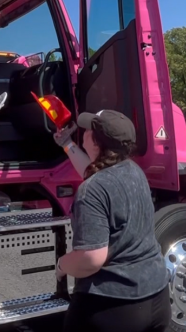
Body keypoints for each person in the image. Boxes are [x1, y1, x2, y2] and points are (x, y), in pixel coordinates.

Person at [52, 110, 170, 332]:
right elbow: (93, 172)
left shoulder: (92, 190)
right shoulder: (135, 172)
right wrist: (67, 144)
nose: (83, 133)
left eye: (88, 130)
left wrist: (61, 265)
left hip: (113, 306)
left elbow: (91, 259)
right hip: (157, 297)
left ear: (96, 141)